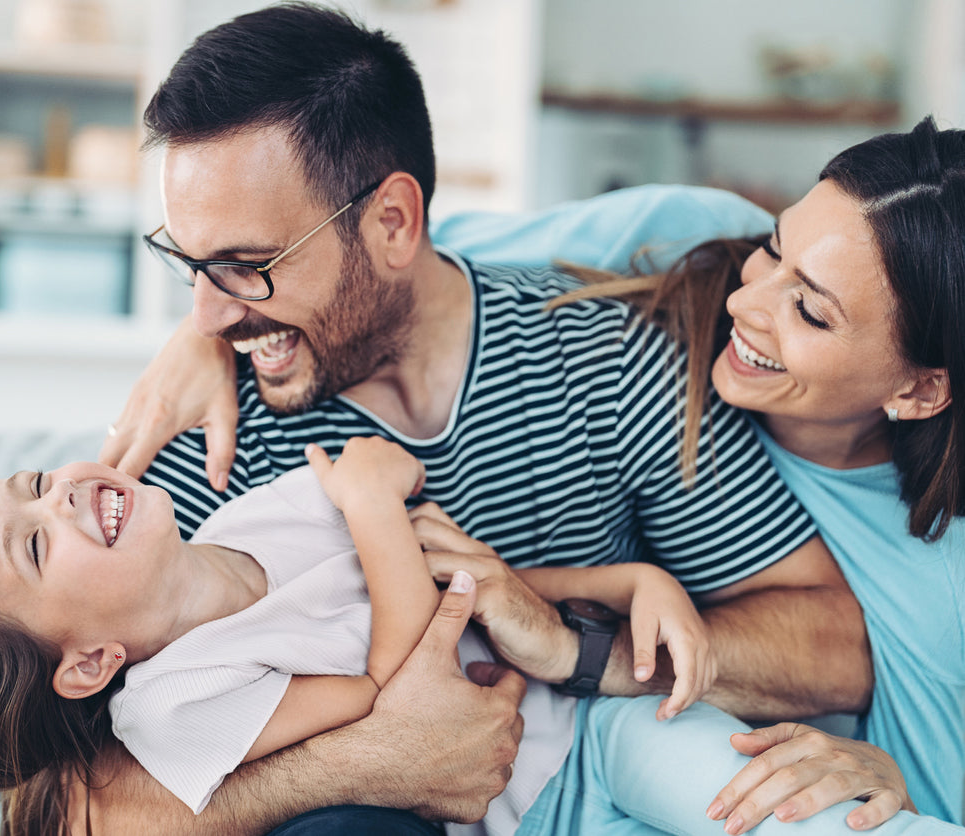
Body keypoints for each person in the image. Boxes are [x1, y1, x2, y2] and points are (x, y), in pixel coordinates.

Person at [55, 4, 871, 835]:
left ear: (393, 223)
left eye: (246, 266)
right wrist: (371, 759)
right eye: (191, 264)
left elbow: (836, 646)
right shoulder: (208, 438)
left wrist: (576, 651)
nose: (204, 319)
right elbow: (59, 807)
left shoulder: (606, 363)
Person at [0, 440, 722, 836]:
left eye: (31, 483)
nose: (56, 496)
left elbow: (469, 576)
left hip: (593, 725)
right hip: (533, 813)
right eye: (34, 545)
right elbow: (392, 694)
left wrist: (632, 582)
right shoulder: (173, 707)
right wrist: (368, 507)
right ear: (90, 662)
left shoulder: (255, 511)